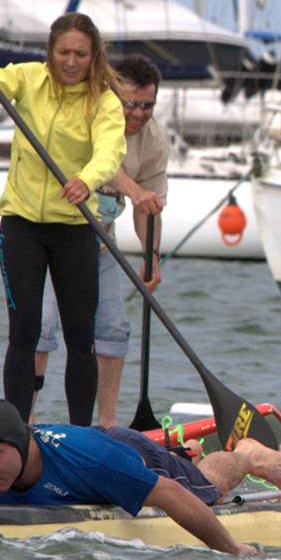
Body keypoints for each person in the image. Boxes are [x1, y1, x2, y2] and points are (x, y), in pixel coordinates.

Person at [0, 15, 127, 426]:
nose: (71, 61)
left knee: (80, 336)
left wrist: (86, 179)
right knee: (25, 331)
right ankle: (16, 431)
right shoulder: (27, 78)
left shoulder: (104, 101)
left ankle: (80, 434)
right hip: (22, 224)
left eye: (80, 54)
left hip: (75, 228)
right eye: (63, 52)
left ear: (93, 56)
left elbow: (109, 152)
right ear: (50, 51)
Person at [0, 399, 281, 557]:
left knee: (208, 488)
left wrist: (233, 550)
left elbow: (170, 495)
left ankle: (244, 454)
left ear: (23, 444)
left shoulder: (92, 461)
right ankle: (186, 453)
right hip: (97, 450)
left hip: (130, 453)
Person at [34, 55, 170, 427]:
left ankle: (108, 425)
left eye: (147, 105)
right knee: (41, 326)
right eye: (131, 104)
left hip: (101, 242)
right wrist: (136, 192)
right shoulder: (89, 117)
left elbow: (148, 208)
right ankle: (24, 421)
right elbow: (106, 166)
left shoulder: (154, 140)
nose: (139, 114)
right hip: (56, 235)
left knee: (112, 329)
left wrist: (151, 259)